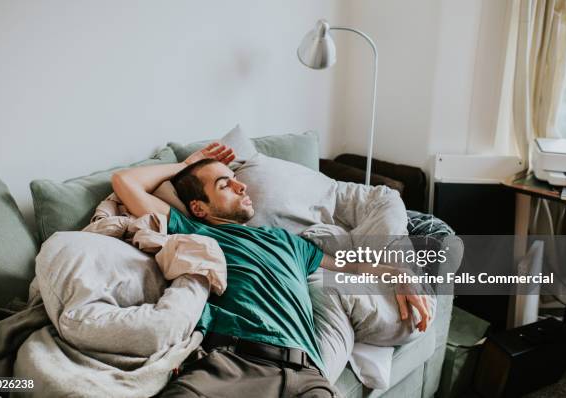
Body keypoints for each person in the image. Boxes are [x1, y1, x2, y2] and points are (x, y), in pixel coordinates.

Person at [112, 143, 430, 398]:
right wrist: (184, 166)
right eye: (225, 184)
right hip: (234, 365)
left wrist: (399, 273)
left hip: (307, 374)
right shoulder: (196, 232)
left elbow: (355, 265)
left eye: (236, 180)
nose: (240, 186)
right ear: (199, 208)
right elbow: (123, 181)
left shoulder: (286, 241)